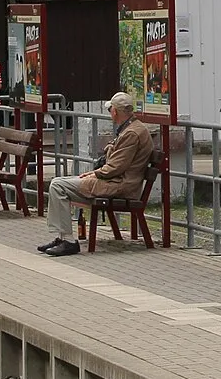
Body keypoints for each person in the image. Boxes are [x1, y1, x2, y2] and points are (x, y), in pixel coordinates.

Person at [38, 92, 154, 257]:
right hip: (118, 181)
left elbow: (115, 167)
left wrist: (94, 174)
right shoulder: (133, 128)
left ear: (115, 111)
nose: (110, 113)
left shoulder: (131, 133)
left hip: (118, 184)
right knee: (59, 182)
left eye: (110, 110)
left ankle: (68, 241)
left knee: (58, 185)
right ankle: (62, 236)